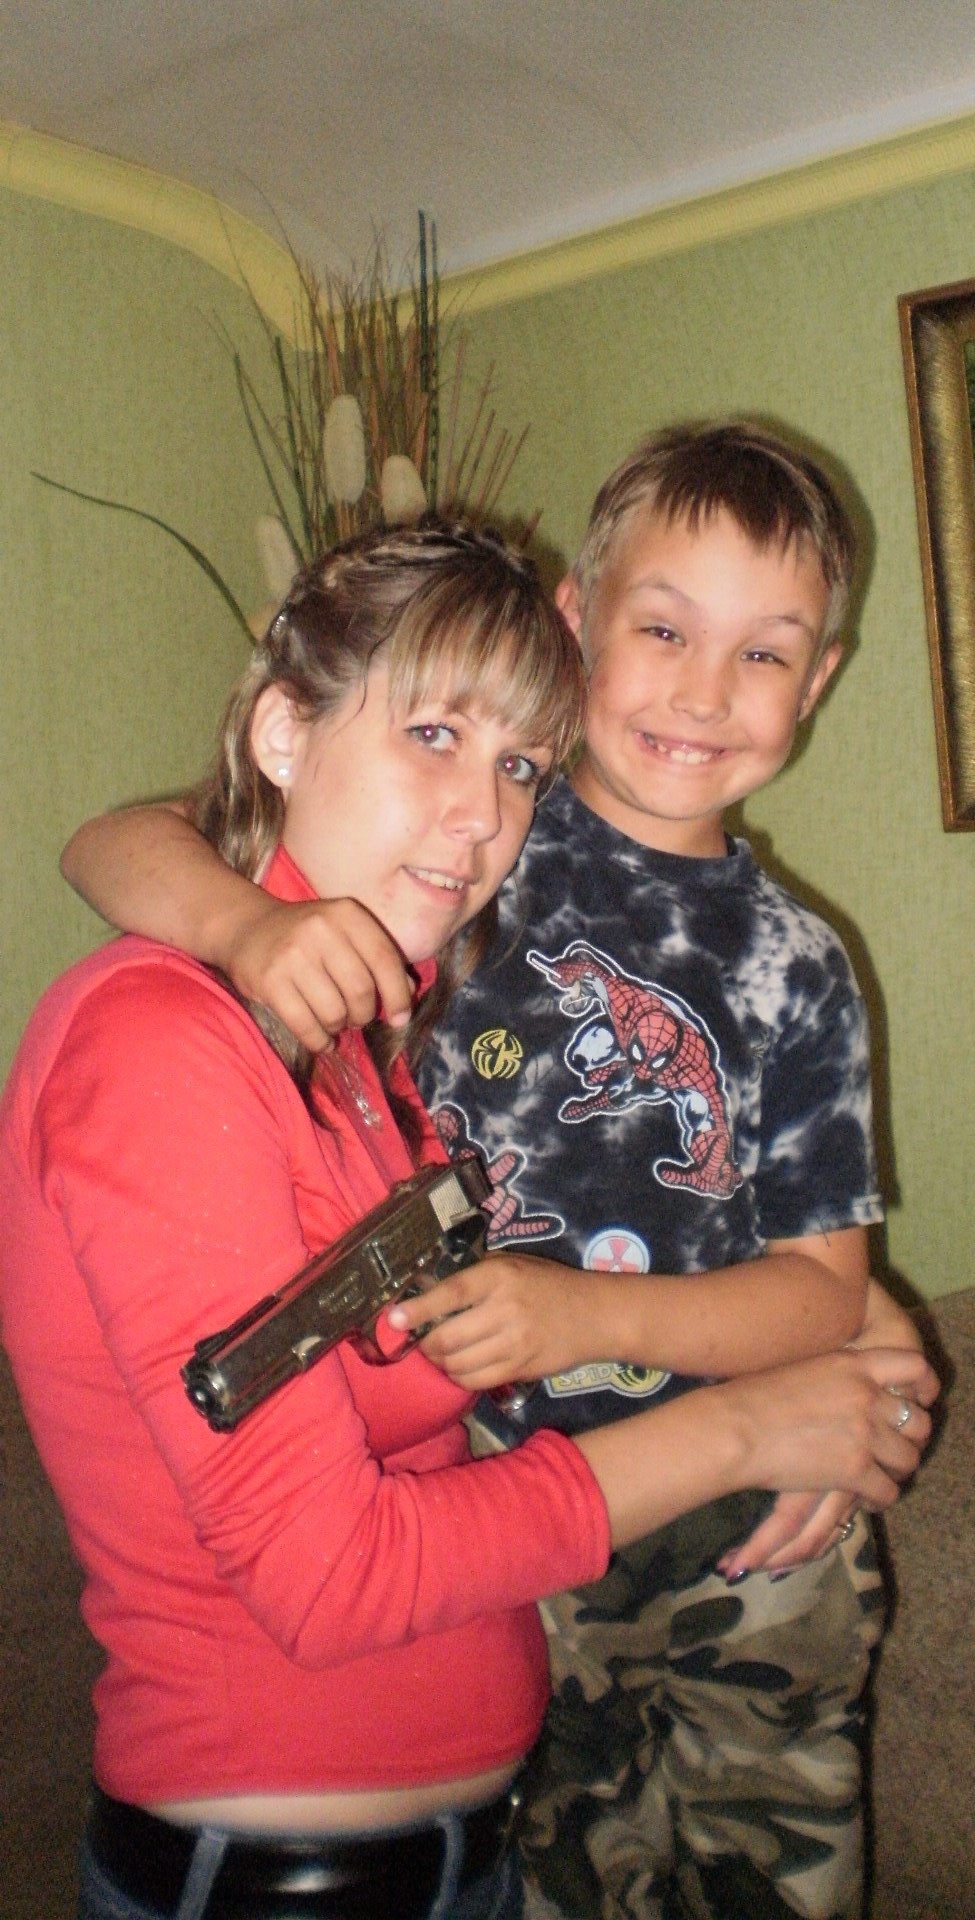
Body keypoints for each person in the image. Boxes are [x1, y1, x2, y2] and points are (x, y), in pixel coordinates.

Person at [57, 445, 929, 1920]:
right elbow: (110, 841)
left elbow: (820, 1288)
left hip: (748, 1533)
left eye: (765, 654)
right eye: (664, 628)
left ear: (821, 679)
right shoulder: (464, 863)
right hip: (516, 1532)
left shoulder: (799, 967)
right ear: (577, 621)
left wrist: (680, 1321)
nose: (704, 693)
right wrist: (239, 926)